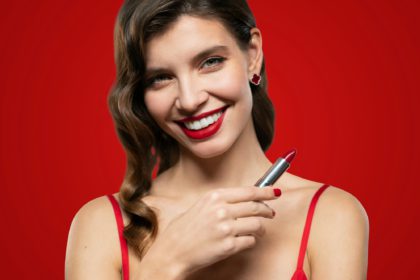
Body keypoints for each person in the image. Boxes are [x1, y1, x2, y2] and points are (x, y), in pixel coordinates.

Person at [65, 0, 369, 279]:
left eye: (210, 62)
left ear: (252, 54)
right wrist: (170, 261)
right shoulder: (101, 225)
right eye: (160, 78)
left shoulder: (332, 216)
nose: (189, 99)